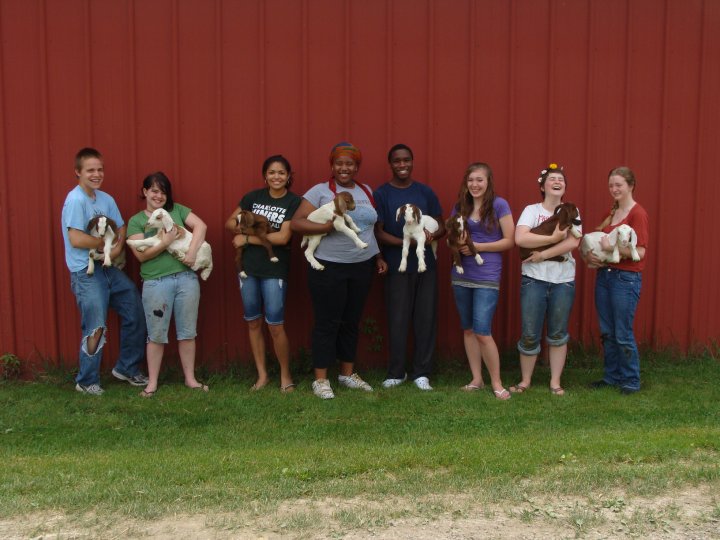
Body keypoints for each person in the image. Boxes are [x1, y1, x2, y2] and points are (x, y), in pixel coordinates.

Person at [290, 141, 387, 399]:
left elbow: (369, 229)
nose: (344, 168)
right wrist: (325, 228)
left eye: (350, 164)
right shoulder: (319, 191)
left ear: (357, 167)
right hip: (329, 267)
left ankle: (347, 374)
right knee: (327, 322)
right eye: (339, 163)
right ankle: (321, 379)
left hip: (362, 266)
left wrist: (377, 256)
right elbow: (297, 223)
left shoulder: (366, 191)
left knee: (351, 321)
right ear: (332, 166)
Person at [61, 147, 148, 395]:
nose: (96, 174)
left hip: (108, 268)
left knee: (134, 308)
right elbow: (76, 238)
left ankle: (127, 368)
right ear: (78, 172)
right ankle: (86, 381)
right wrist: (105, 245)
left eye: (100, 169)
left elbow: (120, 227)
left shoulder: (105, 199)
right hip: (86, 272)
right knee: (95, 325)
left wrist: (117, 247)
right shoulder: (75, 200)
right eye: (90, 170)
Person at [127, 172, 209, 397]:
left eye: (163, 192)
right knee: (156, 334)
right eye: (154, 191)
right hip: (156, 282)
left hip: (186, 279)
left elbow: (201, 227)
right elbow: (141, 255)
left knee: (187, 332)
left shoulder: (178, 211)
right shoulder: (136, 221)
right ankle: (152, 383)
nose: (159, 196)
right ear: (145, 192)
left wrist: (192, 253)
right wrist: (165, 242)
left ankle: (190, 379)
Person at [224, 155, 301, 393]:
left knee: (275, 324)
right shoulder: (252, 197)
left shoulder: (293, 201)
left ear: (288, 176)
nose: (276, 177)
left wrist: (247, 238)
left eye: (281, 172)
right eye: (271, 172)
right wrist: (247, 229)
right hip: (248, 269)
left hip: (274, 269)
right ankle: (262, 375)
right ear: (265, 176)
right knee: (253, 322)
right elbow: (229, 223)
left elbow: (283, 237)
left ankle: (285, 375)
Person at [374, 144, 445, 390]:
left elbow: (442, 226)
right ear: (390, 164)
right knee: (398, 318)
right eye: (397, 161)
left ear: (412, 162)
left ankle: (421, 373)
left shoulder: (425, 192)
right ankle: (396, 372)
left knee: (426, 318)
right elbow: (378, 232)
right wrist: (407, 242)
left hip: (426, 266)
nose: (402, 165)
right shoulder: (382, 194)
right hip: (397, 266)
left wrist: (433, 235)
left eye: (406, 160)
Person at [511, 163, 582, 396]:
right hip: (534, 278)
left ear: (565, 187)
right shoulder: (531, 211)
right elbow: (521, 239)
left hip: (563, 279)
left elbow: (573, 242)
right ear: (542, 186)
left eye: (561, 179)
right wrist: (552, 238)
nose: (557, 182)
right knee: (530, 332)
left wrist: (542, 254)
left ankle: (555, 382)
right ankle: (525, 381)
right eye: (552, 178)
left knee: (558, 332)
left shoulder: (572, 210)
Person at [449, 162, 514, 400]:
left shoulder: (499, 205)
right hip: (461, 275)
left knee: (483, 330)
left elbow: (510, 240)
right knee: (468, 329)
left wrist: (478, 247)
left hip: (487, 274)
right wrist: (457, 243)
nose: (474, 185)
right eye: (470, 180)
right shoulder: (460, 206)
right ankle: (477, 379)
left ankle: (496, 382)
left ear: (488, 182)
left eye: (479, 180)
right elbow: (451, 235)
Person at [583, 167, 649, 394]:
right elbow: (598, 241)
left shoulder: (637, 214)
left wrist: (612, 249)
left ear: (631, 186)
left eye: (619, 185)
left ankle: (631, 379)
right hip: (605, 275)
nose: (614, 189)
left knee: (622, 331)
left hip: (625, 278)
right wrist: (590, 256)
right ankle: (611, 376)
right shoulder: (611, 213)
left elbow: (641, 251)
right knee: (607, 331)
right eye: (611, 185)